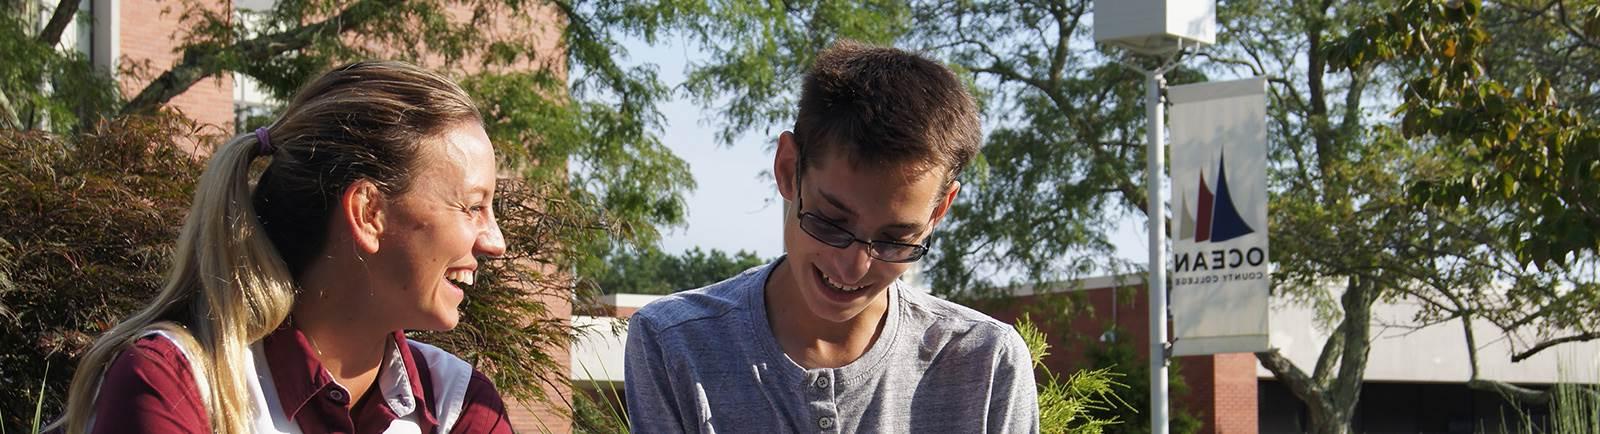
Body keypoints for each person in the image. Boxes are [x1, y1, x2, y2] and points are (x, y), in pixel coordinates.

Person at [49, 61, 514, 434]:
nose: (496, 243)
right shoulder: (177, 384)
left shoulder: (460, 405)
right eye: (473, 207)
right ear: (369, 213)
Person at [624, 40, 1040, 433]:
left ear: (939, 210)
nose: (853, 266)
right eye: (830, 222)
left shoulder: (986, 363)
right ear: (789, 170)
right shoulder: (675, 344)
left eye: (895, 239)